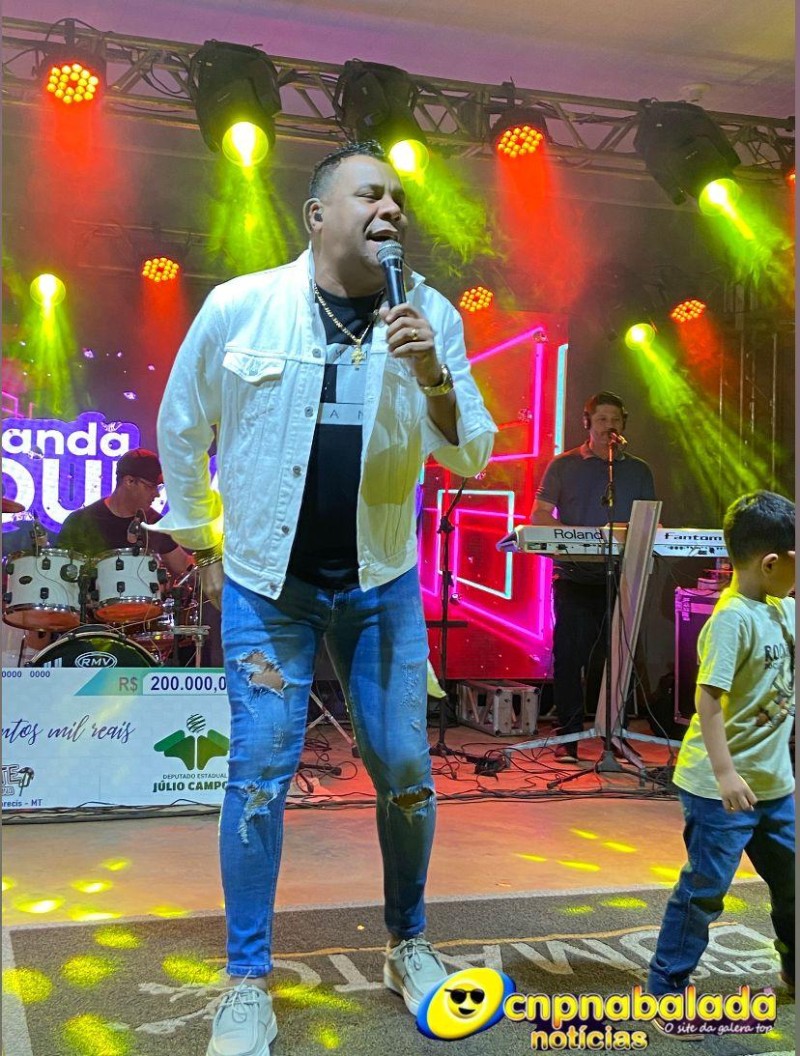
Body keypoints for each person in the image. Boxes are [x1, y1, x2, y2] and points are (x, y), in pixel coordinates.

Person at [155, 141, 496, 1056]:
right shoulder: (243, 307)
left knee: (407, 772)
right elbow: (181, 424)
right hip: (269, 586)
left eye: (398, 199)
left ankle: (408, 943)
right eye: (369, 194)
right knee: (257, 781)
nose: (390, 210)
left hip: (381, 580)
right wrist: (202, 541)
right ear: (317, 215)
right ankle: (247, 980)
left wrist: (432, 374)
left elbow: (469, 452)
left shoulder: (430, 314)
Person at [647, 490, 795, 1002]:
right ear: (771, 563)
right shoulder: (731, 619)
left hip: (774, 788)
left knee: (793, 886)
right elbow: (707, 702)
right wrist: (727, 774)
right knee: (704, 892)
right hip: (719, 791)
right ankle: (666, 986)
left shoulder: (781, 608)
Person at [530, 391, 655, 759]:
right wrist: (579, 539)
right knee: (570, 657)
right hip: (574, 576)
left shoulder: (639, 470)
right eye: (601, 419)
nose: (608, 426)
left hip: (620, 577)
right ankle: (568, 735)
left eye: (615, 420)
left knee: (617, 658)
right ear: (587, 423)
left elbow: (650, 520)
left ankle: (615, 733)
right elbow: (540, 515)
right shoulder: (564, 465)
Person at [57, 448, 192, 579]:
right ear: (129, 481)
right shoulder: (80, 522)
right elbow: (58, 573)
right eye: (151, 486)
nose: (157, 494)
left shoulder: (155, 524)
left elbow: (183, 565)